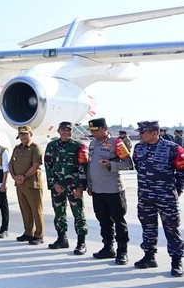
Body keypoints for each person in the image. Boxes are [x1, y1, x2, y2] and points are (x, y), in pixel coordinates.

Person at [132, 120, 184, 277]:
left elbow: (181, 172)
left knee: (171, 228)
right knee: (148, 227)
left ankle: (176, 261)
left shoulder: (173, 148)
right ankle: (149, 256)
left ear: (154, 133)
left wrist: (176, 190)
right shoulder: (138, 148)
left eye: (143, 132)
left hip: (166, 196)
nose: (140, 135)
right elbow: (137, 165)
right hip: (145, 195)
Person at [86, 118, 133, 265]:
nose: (93, 133)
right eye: (91, 131)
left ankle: (122, 251)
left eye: (96, 130)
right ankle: (108, 247)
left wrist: (111, 165)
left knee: (119, 220)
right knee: (103, 220)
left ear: (104, 128)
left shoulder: (117, 143)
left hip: (113, 189)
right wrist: (90, 184)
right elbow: (90, 165)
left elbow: (128, 163)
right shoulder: (93, 144)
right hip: (98, 190)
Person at [44, 121, 88, 255]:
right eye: (63, 130)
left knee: (78, 214)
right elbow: (48, 165)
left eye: (68, 130)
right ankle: (62, 239)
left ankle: (81, 243)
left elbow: (83, 167)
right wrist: (54, 183)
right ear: (58, 131)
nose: (66, 132)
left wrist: (81, 187)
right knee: (59, 213)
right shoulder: (52, 146)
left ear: (71, 131)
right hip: (58, 186)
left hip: (73, 186)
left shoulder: (78, 146)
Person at [9, 126, 45, 245]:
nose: (23, 136)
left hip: (32, 184)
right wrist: (14, 177)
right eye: (21, 134)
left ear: (30, 134)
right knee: (25, 209)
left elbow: (35, 165)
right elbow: (11, 164)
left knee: (36, 210)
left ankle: (39, 235)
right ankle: (28, 232)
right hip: (19, 184)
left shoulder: (35, 148)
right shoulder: (17, 148)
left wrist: (23, 176)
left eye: (25, 134)